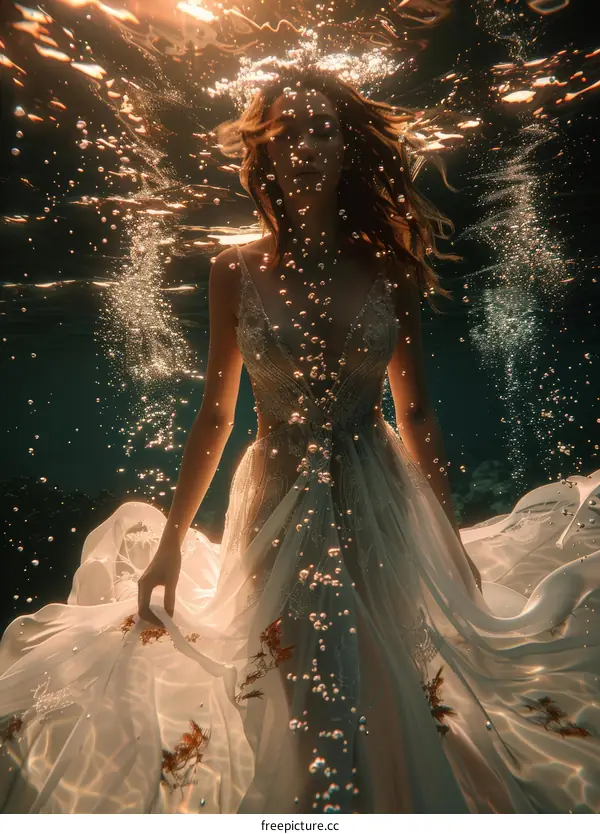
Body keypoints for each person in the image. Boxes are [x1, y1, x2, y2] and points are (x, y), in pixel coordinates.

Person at [1, 67, 600, 815]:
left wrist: (446, 536)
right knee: (295, 686)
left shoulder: (389, 267)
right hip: (277, 501)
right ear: (265, 151)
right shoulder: (232, 268)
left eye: (323, 130)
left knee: (385, 679)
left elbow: (415, 413)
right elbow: (215, 415)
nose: (307, 147)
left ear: (348, 148)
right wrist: (172, 542)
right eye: (288, 132)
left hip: (379, 499)